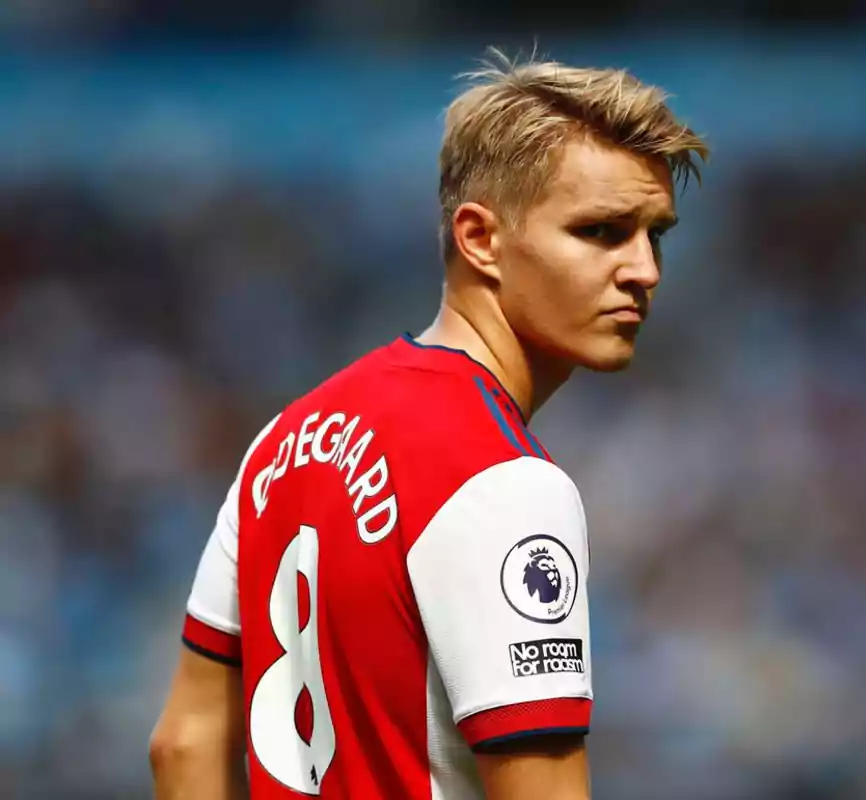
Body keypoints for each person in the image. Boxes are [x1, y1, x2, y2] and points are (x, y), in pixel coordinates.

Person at [148, 50, 708, 799]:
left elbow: (182, 745)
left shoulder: (283, 440)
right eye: (602, 232)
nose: (644, 269)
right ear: (480, 239)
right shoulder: (504, 484)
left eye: (655, 234)